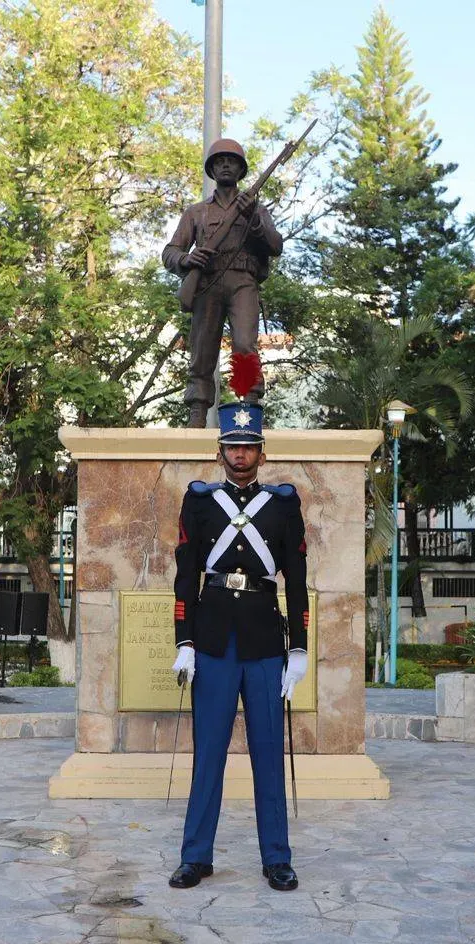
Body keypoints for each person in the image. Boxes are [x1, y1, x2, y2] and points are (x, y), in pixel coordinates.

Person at [168, 373, 308, 891]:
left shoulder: (284, 504)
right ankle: (196, 856)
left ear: (262, 452)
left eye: (249, 447)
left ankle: (277, 857)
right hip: (213, 642)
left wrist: (299, 649)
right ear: (220, 449)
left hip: (266, 644)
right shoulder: (200, 502)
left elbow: (297, 579)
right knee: (209, 755)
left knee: (269, 752)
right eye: (233, 446)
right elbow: (185, 575)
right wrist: (184, 641)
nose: (241, 455)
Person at [161, 137, 283, 429]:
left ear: (240, 170)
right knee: (202, 349)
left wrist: (253, 215)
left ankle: (250, 407)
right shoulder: (197, 212)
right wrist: (187, 260)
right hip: (207, 282)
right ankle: (197, 412)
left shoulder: (256, 208)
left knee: (244, 344)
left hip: (243, 281)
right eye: (219, 161)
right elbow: (170, 251)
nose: (225, 165)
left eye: (231, 161)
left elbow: (275, 245)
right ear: (212, 170)